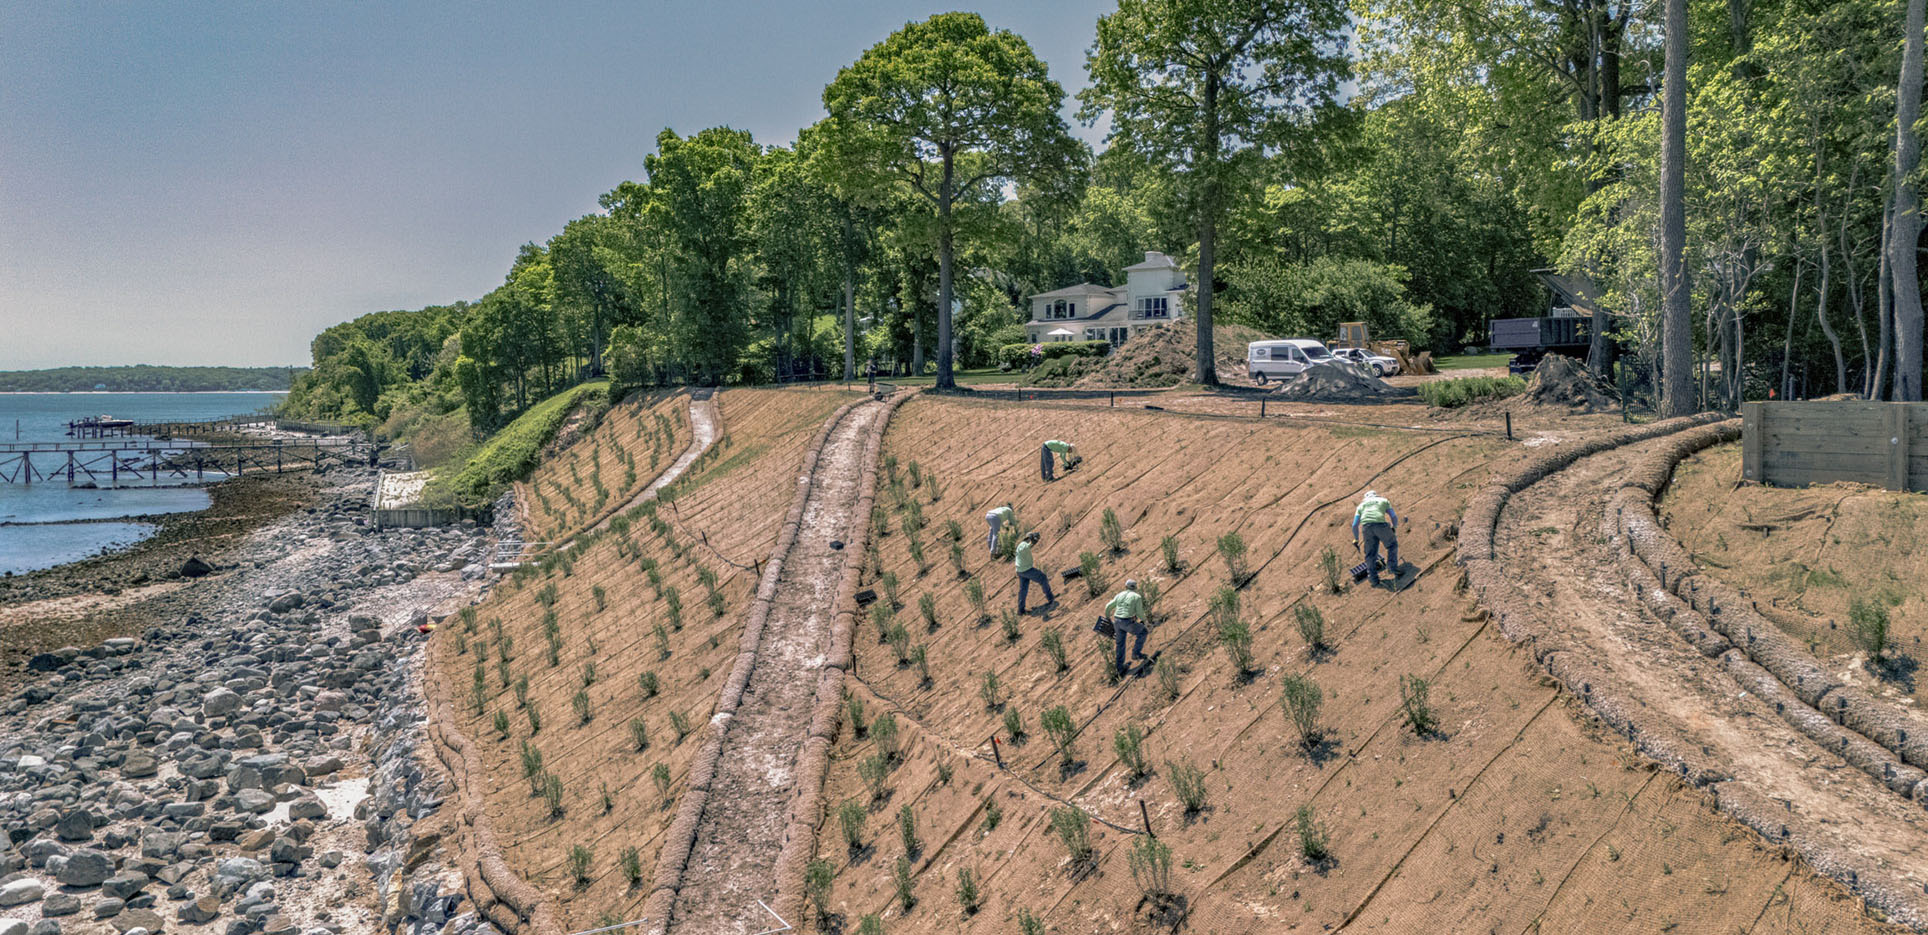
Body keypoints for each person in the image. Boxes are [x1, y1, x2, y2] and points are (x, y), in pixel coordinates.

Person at [1352, 489, 1401, 589]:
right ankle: (1392, 567)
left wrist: (1356, 539)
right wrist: (1394, 527)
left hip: (1366, 529)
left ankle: (1373, 579)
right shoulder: (1384, 500)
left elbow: (1355, 525)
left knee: (1370, 554)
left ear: (1365, 499)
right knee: (1392, 545)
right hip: (1380, 525)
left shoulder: (1360, 506)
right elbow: (1393, 516)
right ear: (1376, 496)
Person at [1105, 579, 1149, 677]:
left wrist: (1108, 618)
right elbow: (1139, 612)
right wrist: (1144, 620)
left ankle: (1120, 668)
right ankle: (1136, 654)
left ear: (1125, 587)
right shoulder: (1137, 597)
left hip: (1117, 621)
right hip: (1127, 621)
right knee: (1143, 632)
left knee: (1120, 644)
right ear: (1136, 587)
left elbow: (1108, 607)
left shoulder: (1119, 595)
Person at [1014, 531, 1055, 614]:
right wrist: (1033, 539)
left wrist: (1034, 540)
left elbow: (1030, 545)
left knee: (1023, 590)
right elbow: (1028, 545)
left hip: (1020, 570)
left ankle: (1021, 609)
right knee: (1043, 578)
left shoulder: (1022, 545)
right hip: (1027, 570)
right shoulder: (1023, 545)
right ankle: (1050, 598)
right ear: (1028, 538)